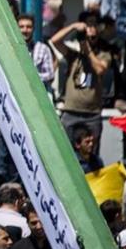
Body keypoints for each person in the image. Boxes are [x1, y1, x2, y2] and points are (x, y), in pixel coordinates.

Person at [50, 18, 111, 153]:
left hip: (92, 114)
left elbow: (100, 70)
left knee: (91, 152)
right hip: (71, 112)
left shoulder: (103, 55)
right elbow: (54, 41)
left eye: (92, 38)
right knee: (65, 150)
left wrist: (88, 50)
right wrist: (73, 26)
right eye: (86, 37)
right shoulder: (73, 56)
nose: (88, 40)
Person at [16, 14, 54, 91]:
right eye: (21, 27)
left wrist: (31, 77)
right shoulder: (11, 49)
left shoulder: (43, 49)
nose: (25, 30)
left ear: (33, 29)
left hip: (37, 92)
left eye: (28, 27)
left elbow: (50, 75)